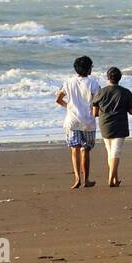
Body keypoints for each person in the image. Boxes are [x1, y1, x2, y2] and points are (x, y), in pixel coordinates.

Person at [55, 55, 100, 189]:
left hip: (72, 120)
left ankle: (77, 178)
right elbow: (98, 101)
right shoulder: (93, 83)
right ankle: (86, 179)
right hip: (88, 120)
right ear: (89, 69)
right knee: (85, 149)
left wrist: (67, 106)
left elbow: (58, 98)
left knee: (74, 149)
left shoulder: (68, 82)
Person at [91, 67, 132, 187]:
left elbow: (94, 113)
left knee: (110, 152)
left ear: (107, 78)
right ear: (120, 78)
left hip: (105, 125)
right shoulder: (125, 92)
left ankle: (115, 179)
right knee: (115, 152)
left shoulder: (101, 92)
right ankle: (111, 178)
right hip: (120, 124)